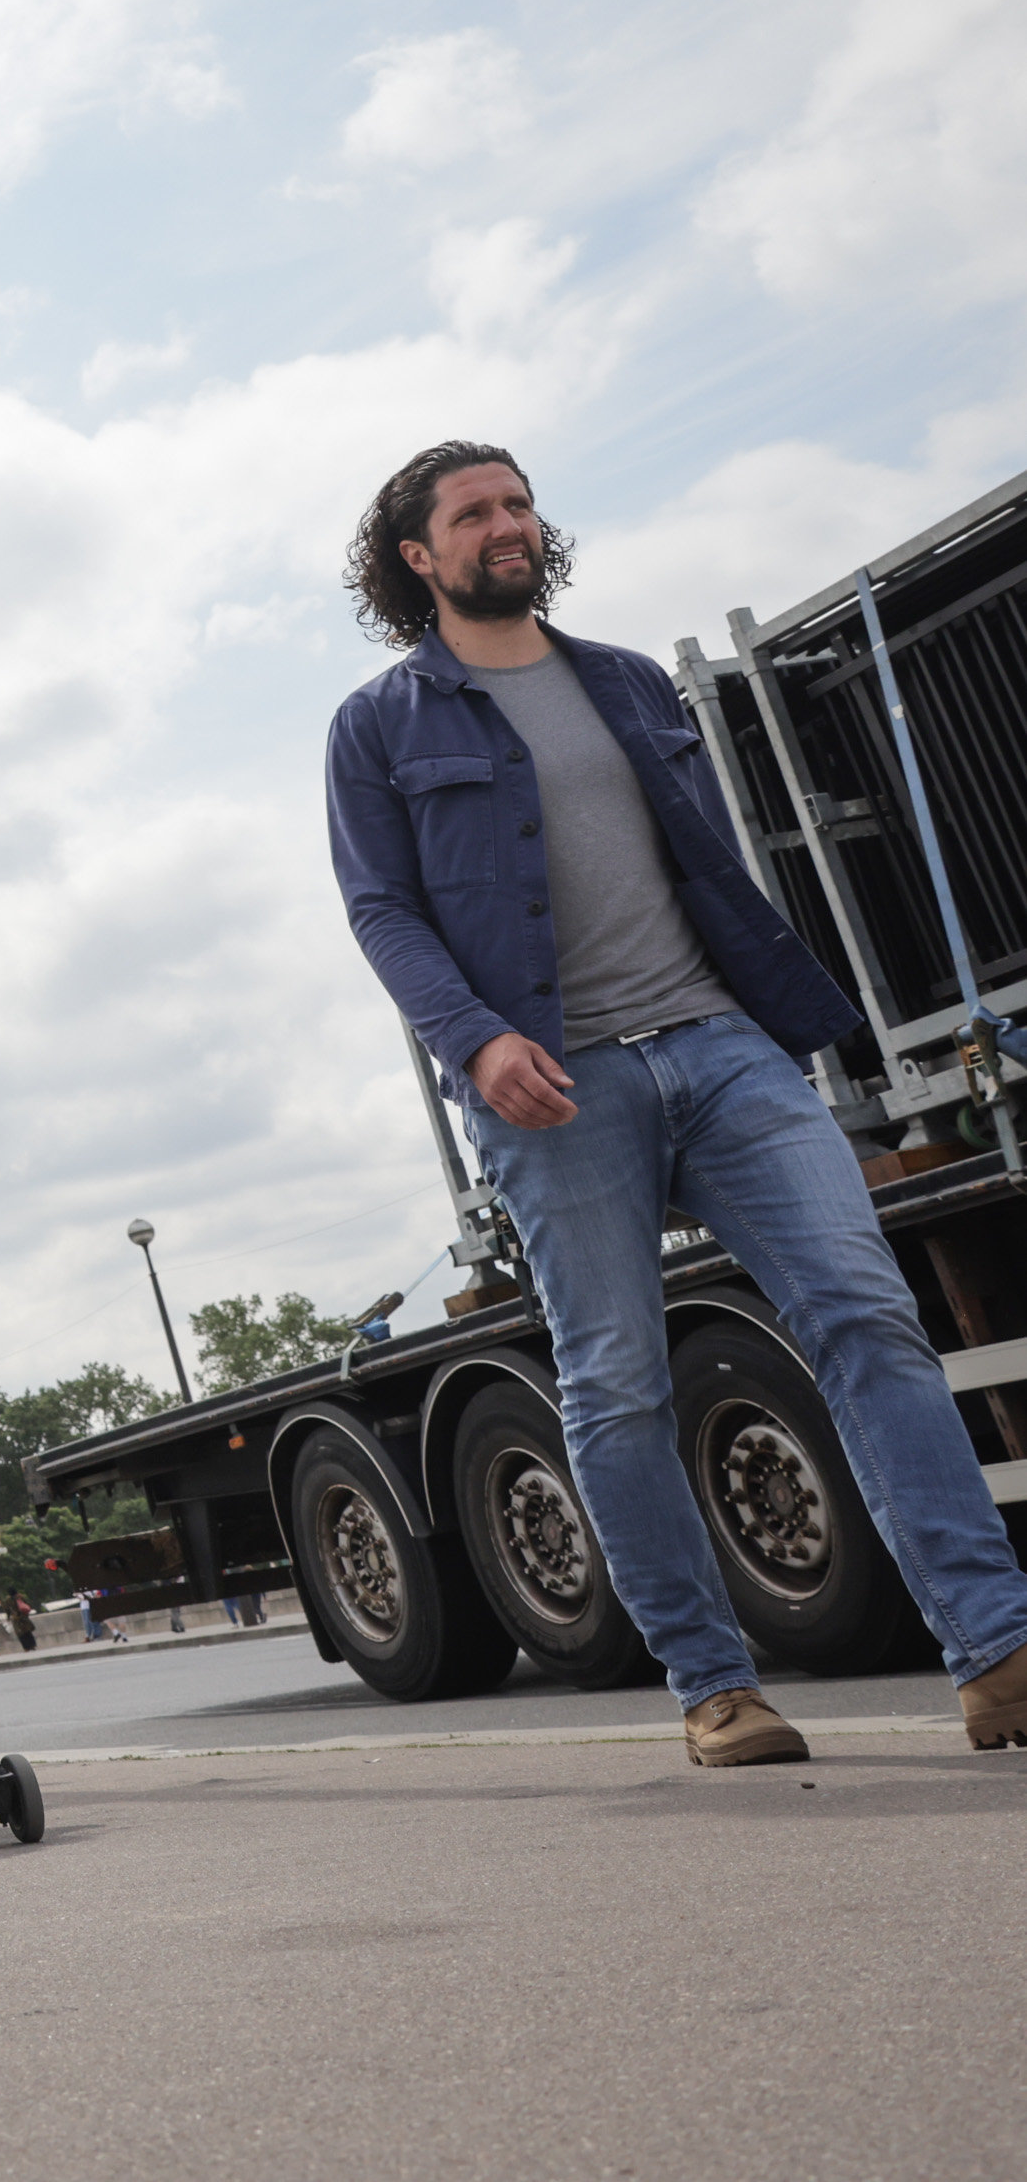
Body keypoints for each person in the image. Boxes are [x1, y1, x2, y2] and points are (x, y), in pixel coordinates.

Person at [329, 444, 1027, 1766]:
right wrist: (474, 1045)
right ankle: (715, 1690)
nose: (508, 524)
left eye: (518, 501)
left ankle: (995, 1652)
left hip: (721, 1047)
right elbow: (382, 911)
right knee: (616, 1384)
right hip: (555, 1083)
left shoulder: (626, 683)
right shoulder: (380, 725)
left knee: (866, 1318)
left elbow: (703, 859)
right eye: (472, 513)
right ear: (416, 557)